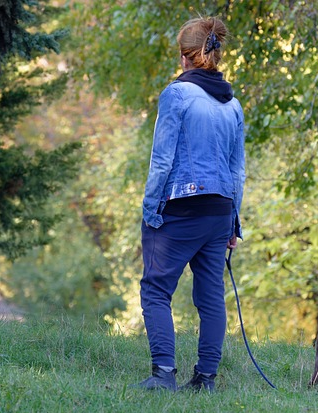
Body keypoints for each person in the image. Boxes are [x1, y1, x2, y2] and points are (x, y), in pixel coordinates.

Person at [132, 16, 246, 392]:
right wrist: (233, 224)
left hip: (182, 207)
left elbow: (161, 161)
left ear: (185, 56)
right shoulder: (233, 105)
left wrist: (150, 212)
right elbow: (237, 171)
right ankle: (206, 380)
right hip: (219, 212)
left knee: (155, 289)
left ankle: (164, 375)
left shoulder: (176, 95)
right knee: (211, 297)